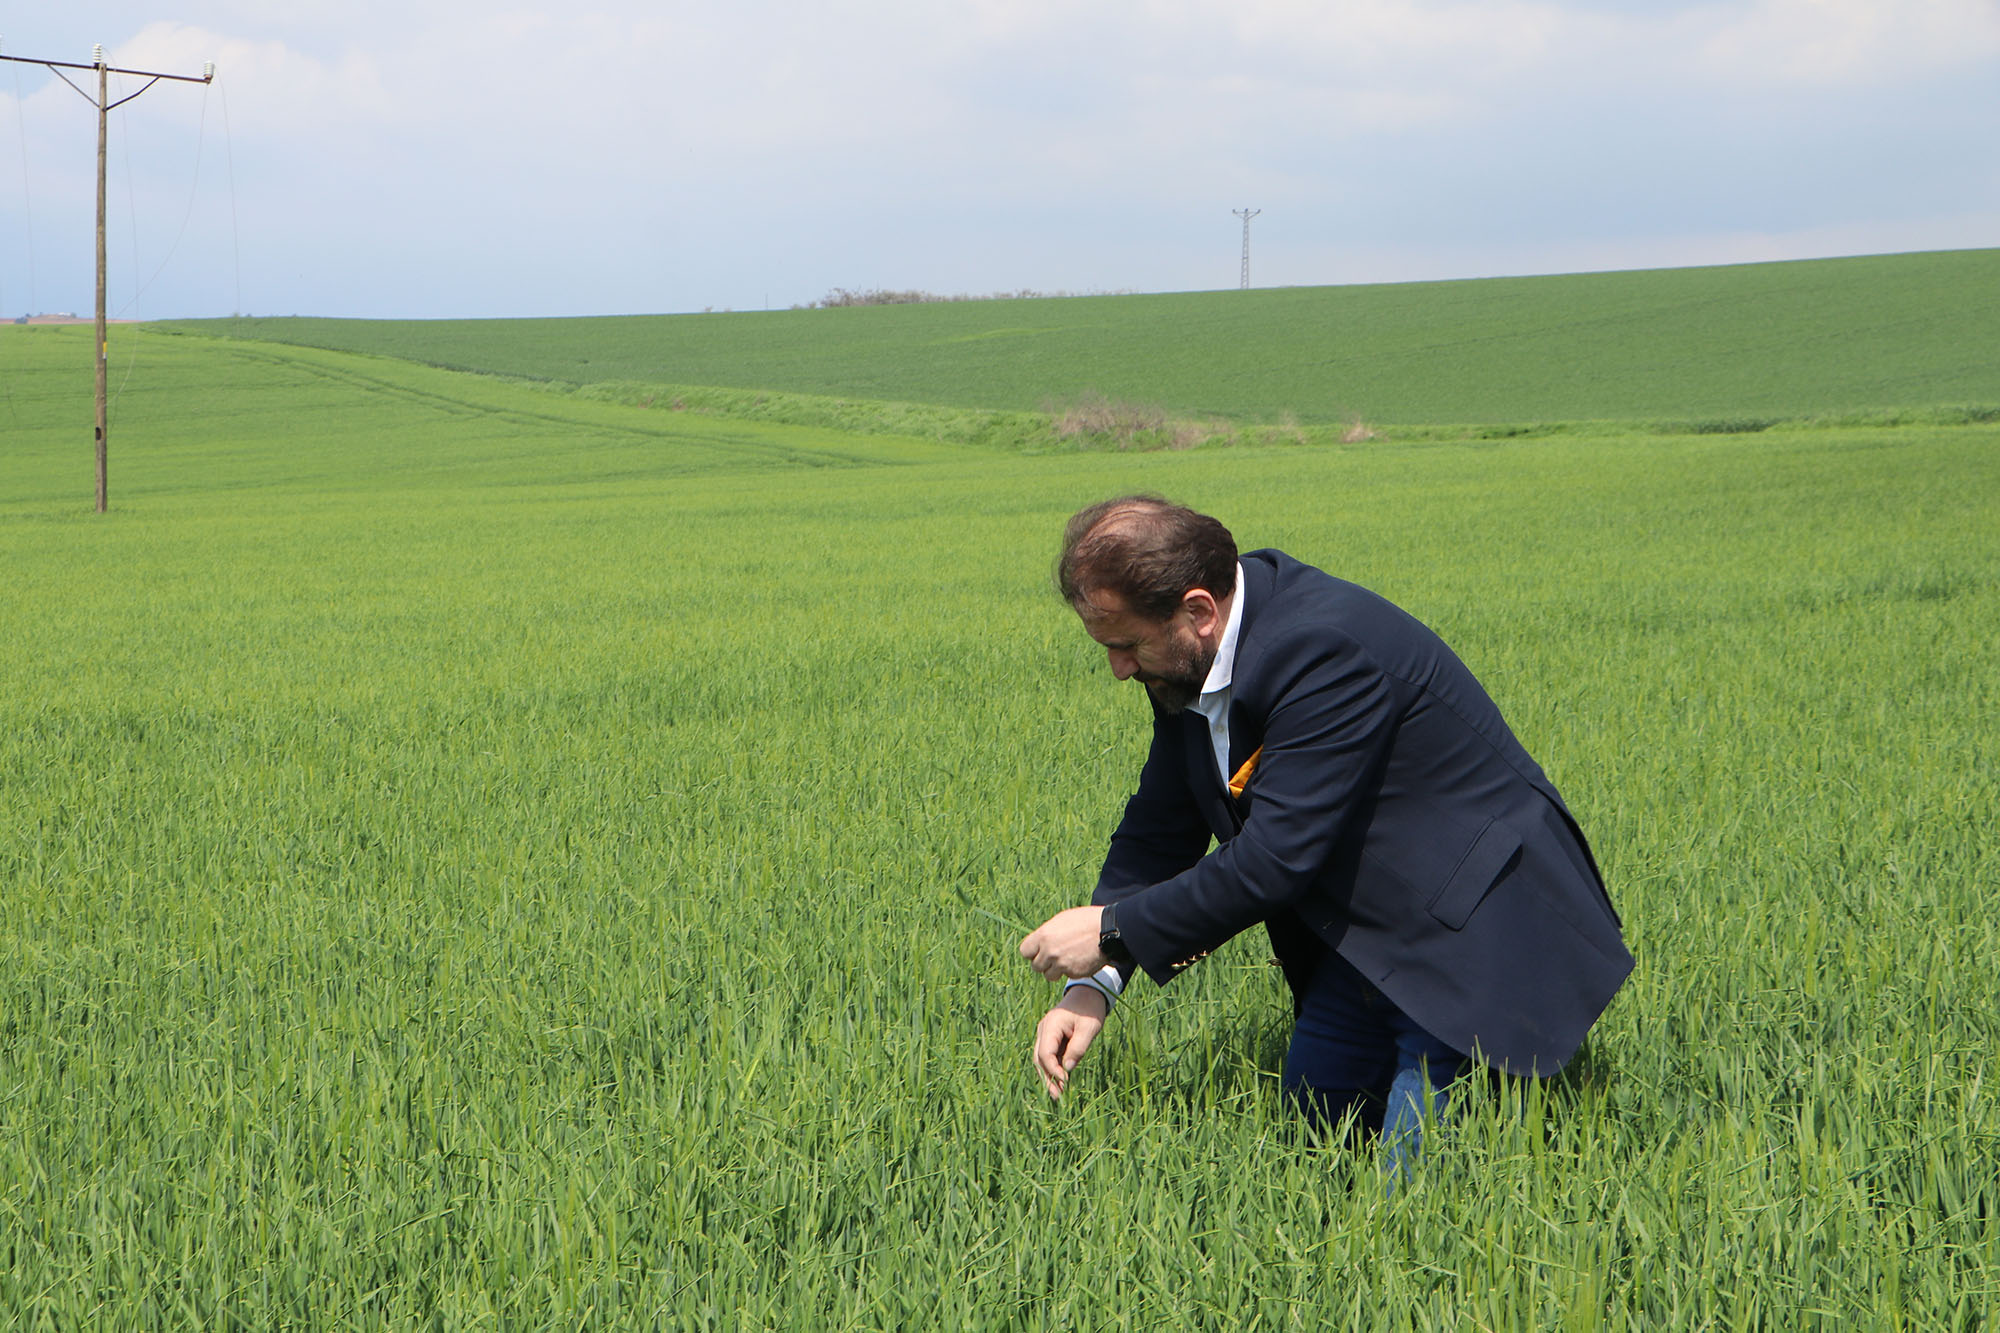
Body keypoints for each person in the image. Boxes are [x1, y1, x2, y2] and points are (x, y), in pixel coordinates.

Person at [1018, 496, 1633, 1166]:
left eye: (1126, 644)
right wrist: (1096, 982)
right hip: (1362, 942)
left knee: (1419, 1188)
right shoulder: (1189, 655)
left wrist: (1112, 931)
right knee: (1312, 1151)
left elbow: (1275, 859)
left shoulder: (1321, 650)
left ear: (1198, 610)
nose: (1119, 668)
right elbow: (1161, 826)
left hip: (1472, 941)